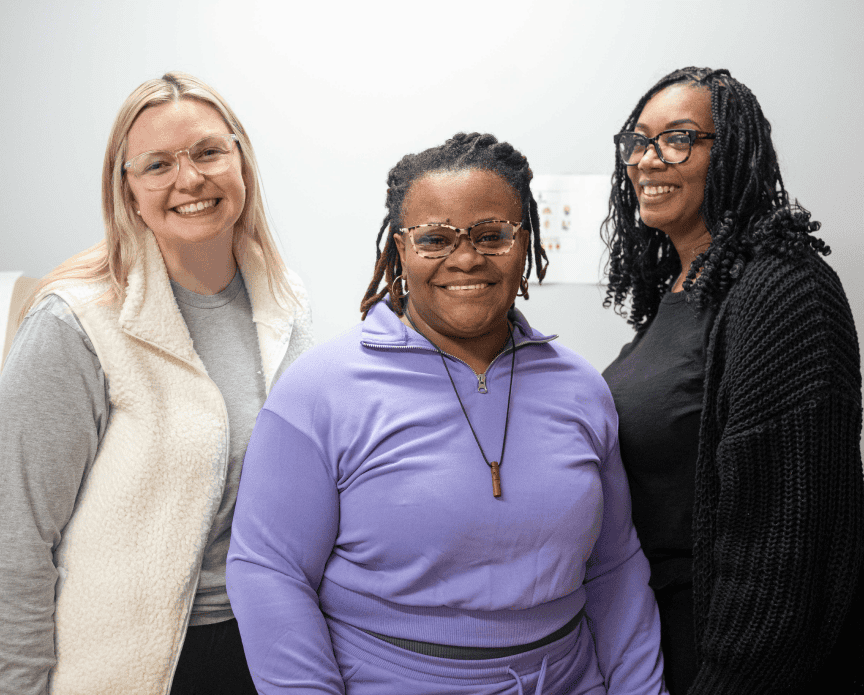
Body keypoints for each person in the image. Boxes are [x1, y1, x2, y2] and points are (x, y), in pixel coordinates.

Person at [227, 132, 667, 695]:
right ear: (399, 250)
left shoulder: (581, 388)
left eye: (492, 235)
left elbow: (616, 569)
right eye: (435, 238)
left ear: (525, 242)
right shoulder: (318, 393)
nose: (465, 258)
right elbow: (270, 572)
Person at [0, 72, 314, 695]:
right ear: (128, 190)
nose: (189, 179)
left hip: (266, 649)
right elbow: (16, 542)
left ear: (241, 161)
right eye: (157, 165)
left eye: (207, 152)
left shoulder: (285, 306)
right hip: (128, 666)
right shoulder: (75, 322)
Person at [601, 67, 863, 694]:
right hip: (662, 642)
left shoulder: (782, 291)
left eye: (679, 138)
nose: (648, 159)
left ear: (736, 154)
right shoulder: (680, 289)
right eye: (638, 141)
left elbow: (787, 547)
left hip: (737, 657)